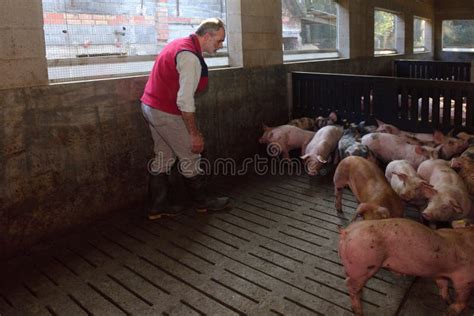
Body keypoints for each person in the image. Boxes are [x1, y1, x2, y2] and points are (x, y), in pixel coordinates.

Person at [141, 18, 229, 220]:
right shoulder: (190, 58)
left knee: (164, 155)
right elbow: (185, 101)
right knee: (191, 155)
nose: (220, 45)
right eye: (219, 40)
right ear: (207, 36)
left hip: (150, 105)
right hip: (165, 110)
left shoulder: (178, 44)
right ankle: (203, 203)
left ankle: (157, 206)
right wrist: (194, 133)